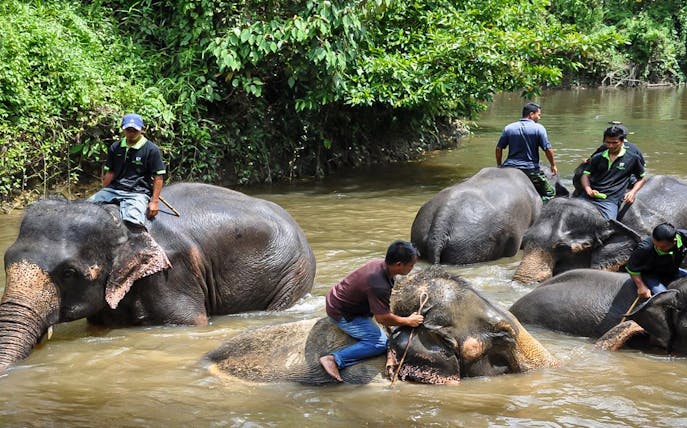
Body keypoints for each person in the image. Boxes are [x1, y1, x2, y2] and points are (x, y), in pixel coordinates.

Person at [319, 240, 424, 382]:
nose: (413, 268)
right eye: (411, 265)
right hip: (342, 313)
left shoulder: (379, 264)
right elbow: (382, 318)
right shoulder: (378, 284)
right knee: (380, 342)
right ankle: (334, 359)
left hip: (338, 298)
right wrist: (408, 321)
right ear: (399, 264)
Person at [89, 113, 166, 231]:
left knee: (133, 221)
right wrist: (103, 190)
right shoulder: (116, 147)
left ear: (142, 130)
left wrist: (154, 201)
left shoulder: (151, 149)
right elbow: (111, 172)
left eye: (135, 130)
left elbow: (158, 176)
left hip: (137, 192)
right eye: (128, 129)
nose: (131, 132)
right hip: (114, 189)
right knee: (86, 207)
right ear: (123, 129)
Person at [579, 125, 646, 220]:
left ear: (622, 141)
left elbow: (642, 178)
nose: (610, 146)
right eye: (608, 142)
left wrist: (632, 192)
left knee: (607, 224)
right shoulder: (598, 157)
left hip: (609, 200)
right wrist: (588, 189)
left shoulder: (632, 158)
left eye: (615, 143)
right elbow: (585, 175)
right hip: (588, 195)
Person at [495, 102, 558, 202]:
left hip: (508, 167)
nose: (539, 118)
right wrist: (553, 165)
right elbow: (547, 149)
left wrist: (499, 165)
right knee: (550, 193)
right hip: (529, 169)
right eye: (539, 115)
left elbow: (499, 148)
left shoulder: (509, 128)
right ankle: (541, 213)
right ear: (531, 114)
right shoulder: (539, 128)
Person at [626, 223, 687, 299]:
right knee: (668, 299)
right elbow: (631, 268)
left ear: (674, 241)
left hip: (673, 271)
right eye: (655, 245)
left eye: (662, 247)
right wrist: (641, 286)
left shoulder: (684, 237)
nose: (658, 248)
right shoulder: (645, 248)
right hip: (651, 275)